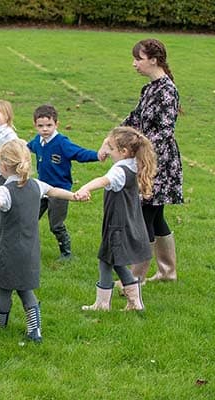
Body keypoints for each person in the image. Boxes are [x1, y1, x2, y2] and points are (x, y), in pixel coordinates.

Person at [0, 139, 83, 342]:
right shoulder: (37, 185)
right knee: (25, 290)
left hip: (9, 250)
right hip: (31, 251)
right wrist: (74, 195)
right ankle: (35, 330)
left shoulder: (4, 191)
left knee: (4, 288)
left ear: (3, 166)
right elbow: (55, 191)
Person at [120, 38, 182, 284]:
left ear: (153, 60)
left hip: (160, 163)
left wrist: (137, 148)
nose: (135, 63)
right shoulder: (149, 88)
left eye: (139, 58)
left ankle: (136, 277)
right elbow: (134, 118)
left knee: (144, 214)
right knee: (156, 216)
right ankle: (167, 273)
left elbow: (164, 132)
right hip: (147, 159)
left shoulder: (167, 90)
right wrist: (114, 138)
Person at [75, 127, 156, 312]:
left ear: (123, 152)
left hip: (117, 225)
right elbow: (110, 140)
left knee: (106, 260)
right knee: (115, 261)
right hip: (127, 221)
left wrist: (85, 188)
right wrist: (105, 146)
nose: (108, 152)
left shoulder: (120, 171)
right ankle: (134, 303)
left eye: (111, 149)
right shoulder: (133, 162)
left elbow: (104, 180)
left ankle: (103, 304)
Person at [27, 104, 106, 260]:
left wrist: (97, 155)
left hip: (60, 191)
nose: (45, 129)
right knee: (29, 218)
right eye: (40, 126)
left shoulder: (62, 143)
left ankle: (66, 253)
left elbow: (79, 153)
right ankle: (25, 247)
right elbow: (27, 147)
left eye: (49, 125)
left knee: (55, 224)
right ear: (35, 125)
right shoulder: (38, 141)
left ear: (57, 124)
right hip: (42, 189)